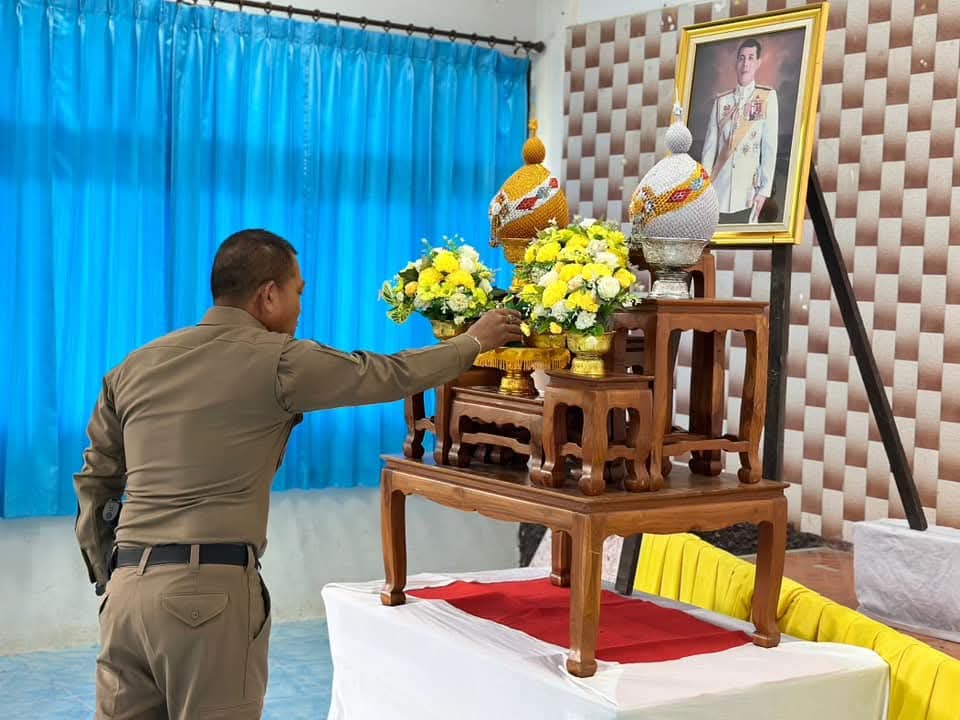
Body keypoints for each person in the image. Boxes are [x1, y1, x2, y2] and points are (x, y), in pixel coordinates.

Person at [74, 228, 522, 719]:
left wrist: (109, 573)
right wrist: (473, 342)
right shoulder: (278, 360)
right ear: (269, 295)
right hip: (207, 599)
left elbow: (96, 480)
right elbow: (389, 373)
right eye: (298, 292)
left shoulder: (133, 367)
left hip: (124, 597)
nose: (300, 309)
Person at [700, 37, 779, 224]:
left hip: (748, 193)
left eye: (751, 58)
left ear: (758, 63)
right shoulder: (721, 102)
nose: (745, 64)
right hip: (718, 190)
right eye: (742, 58)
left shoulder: (766, 97)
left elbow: (769, 149)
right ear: (736, 63)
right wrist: (704, 190)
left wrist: (764, 191)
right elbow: (709, 150)